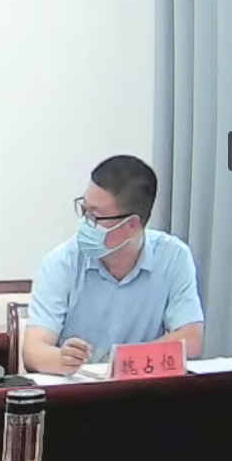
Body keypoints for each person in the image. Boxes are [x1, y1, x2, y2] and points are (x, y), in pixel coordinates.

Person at [24, 155, 204, 374]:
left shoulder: (173, 256)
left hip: (143, 385)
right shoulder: (61, 262)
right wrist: (60, 359)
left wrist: (122, 364)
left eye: (95, 216)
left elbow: (191, 339)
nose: (85, 224)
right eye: (84, 210)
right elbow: (33, 350)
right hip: (78, 387)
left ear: (132, 225)